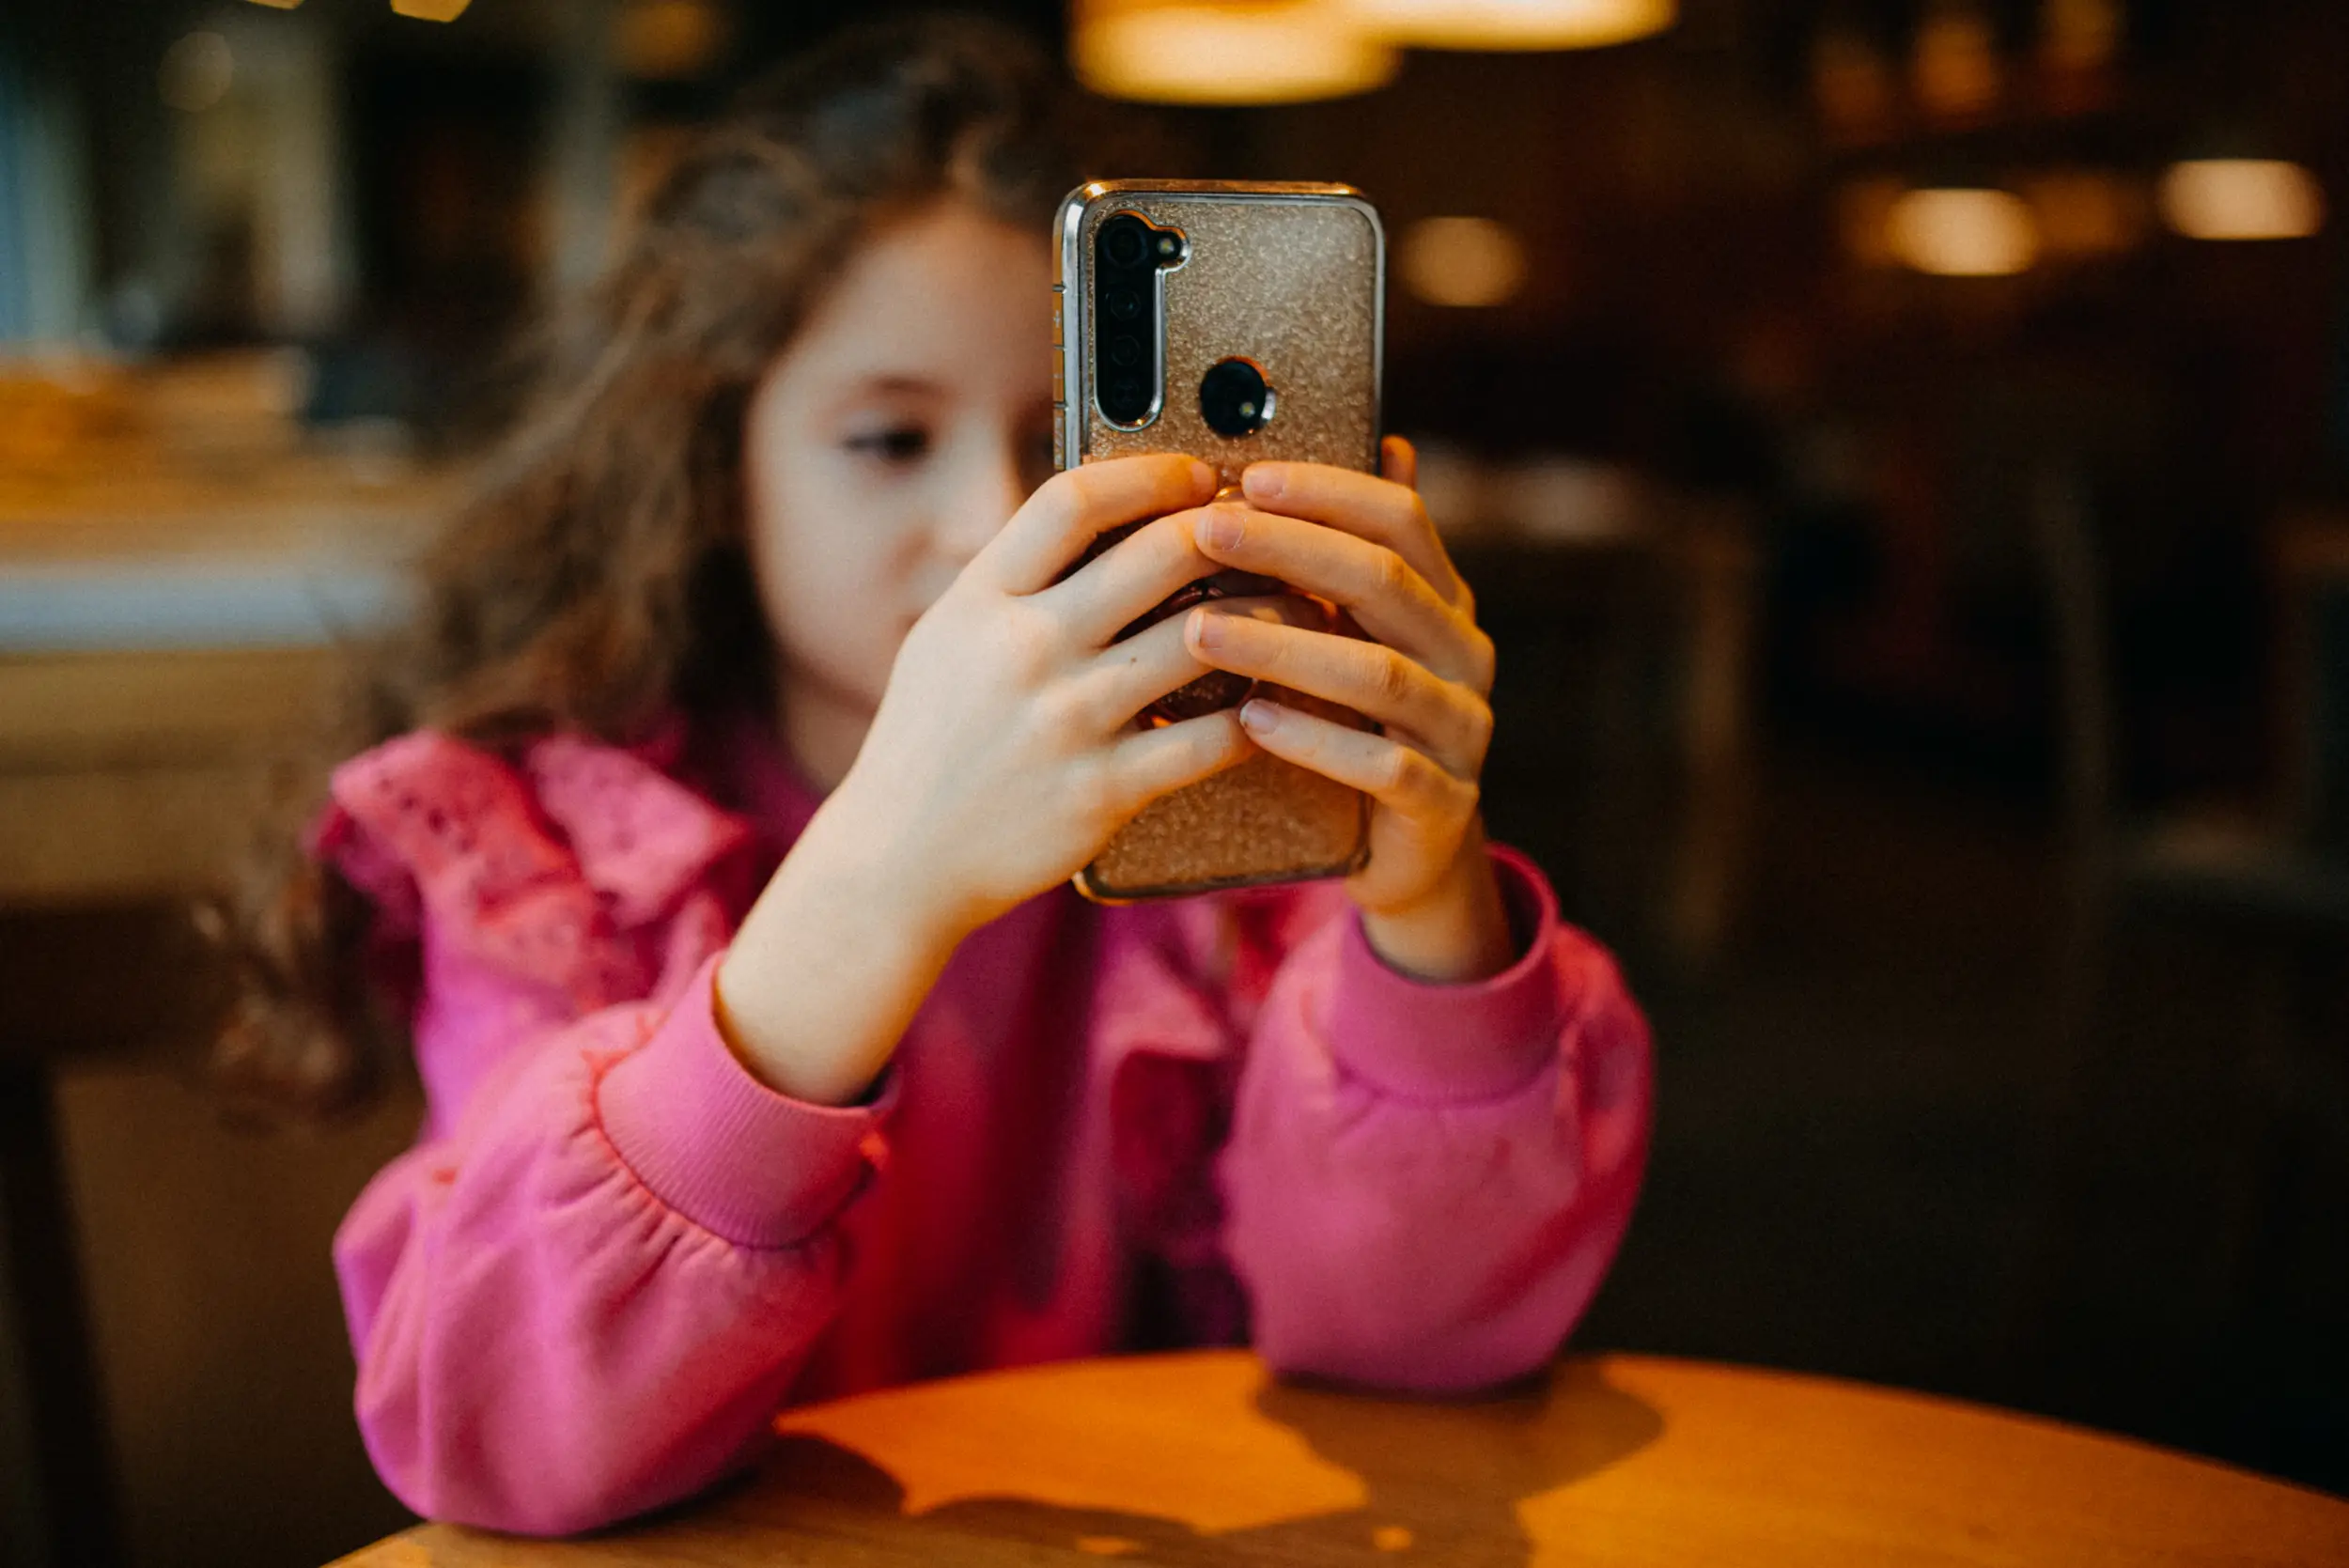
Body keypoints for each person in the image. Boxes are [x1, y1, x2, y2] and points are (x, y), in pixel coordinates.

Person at [219, 16, 1652, 1537]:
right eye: (889, 437)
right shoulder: (558, 857)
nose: (988, 519)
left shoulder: (1234, 832)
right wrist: (877, 886)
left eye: (1063, 442)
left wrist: (1426, 913)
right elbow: (500, 1435)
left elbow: (1412, 1355)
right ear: (716, 473)